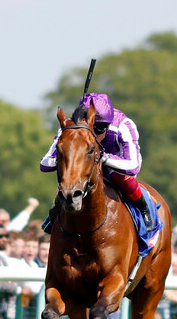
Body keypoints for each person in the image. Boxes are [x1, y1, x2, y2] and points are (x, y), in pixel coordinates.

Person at [40, 93, 154, 231]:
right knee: (69, 177)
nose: (96, 134)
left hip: (116, 165)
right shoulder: (69, 128)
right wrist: (68, 157)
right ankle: (56, 209)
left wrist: (103, 157)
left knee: (121, 178)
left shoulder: (124, 125)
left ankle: (143, 209)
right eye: (93, 128)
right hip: (85, 166)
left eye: (101, 129)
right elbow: (45, 164)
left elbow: (133, 166)